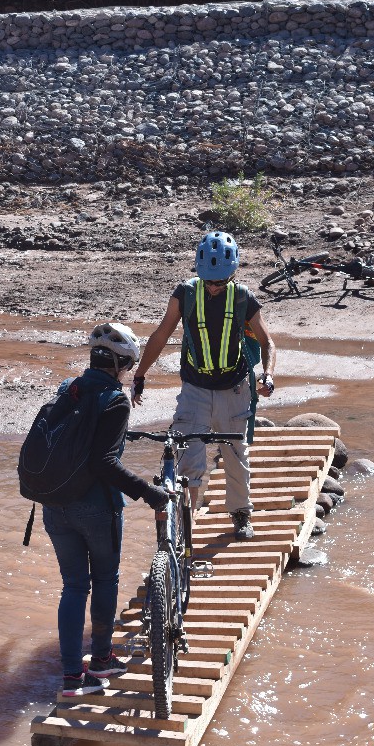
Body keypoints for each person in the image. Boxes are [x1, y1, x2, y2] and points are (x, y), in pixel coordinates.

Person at [42, 321, 170, 697]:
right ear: (122, 364)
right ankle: (100, 661)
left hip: (55, 505)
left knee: (73, 586)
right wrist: (149, 493)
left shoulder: (70, 388)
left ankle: (70, 677)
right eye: (129, 366)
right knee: (105, 580)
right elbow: (103, 462)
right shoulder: (116, 399)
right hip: (96, 509)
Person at [131, 231, 276, 541]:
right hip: (195, 388)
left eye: (220, 282)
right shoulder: (184, 294)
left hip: (234, 388)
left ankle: (240, 514)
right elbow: (160, 335)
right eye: (208, 281)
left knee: (235, 452)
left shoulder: (243, 297)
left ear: (233, 273)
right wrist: (140, 375)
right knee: (188, 454)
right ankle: (186, 524)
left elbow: (267, 342)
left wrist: (268, 375)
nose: (213, 287)